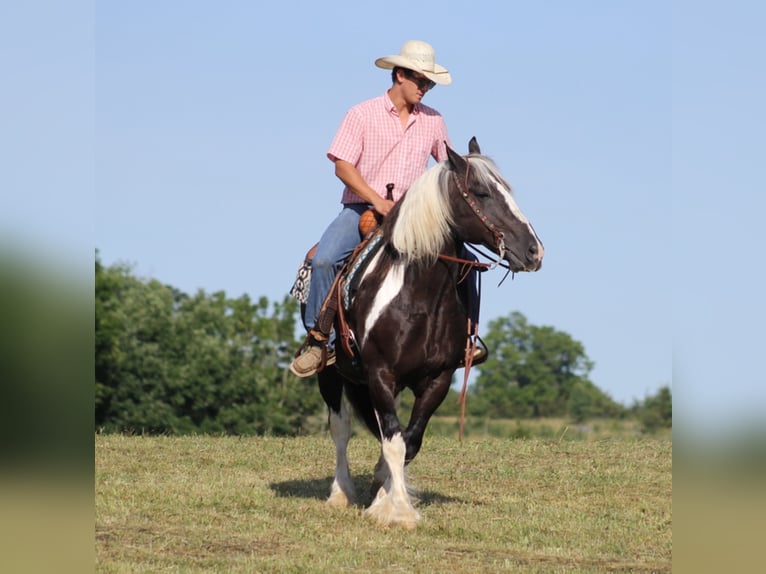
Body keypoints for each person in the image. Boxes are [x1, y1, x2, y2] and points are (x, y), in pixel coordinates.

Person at [291, 40, 479, 378]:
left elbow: (448, 165)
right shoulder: (361, 113)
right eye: (421, 81)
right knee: (323, 259)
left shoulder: (434, 121)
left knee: (464, 261)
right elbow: (343, 166)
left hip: (414, 216)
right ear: (399, 75)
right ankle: (321, 340)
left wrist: (472, 172)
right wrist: (377, 201)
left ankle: (467, 338)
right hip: (361, 208)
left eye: (430, 83)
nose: (426, 88)